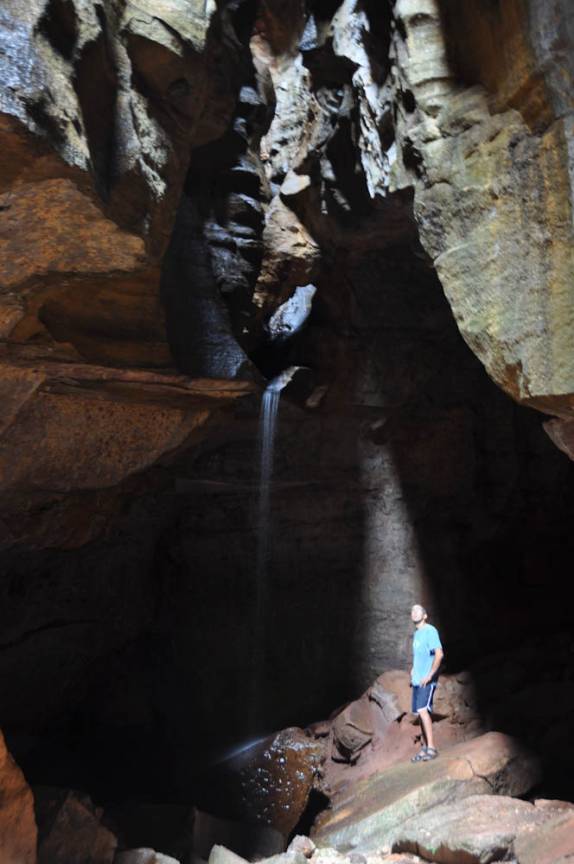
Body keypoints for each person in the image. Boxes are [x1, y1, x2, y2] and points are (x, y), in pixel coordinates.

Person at [409, 604, 443, 762]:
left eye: (417, 610)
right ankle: (424, 747)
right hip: (417, 680)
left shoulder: (430, 631)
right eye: (412, 611)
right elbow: (419, 656)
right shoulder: (417, 634)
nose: (414, 612)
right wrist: (413, 670)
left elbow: (439, 654)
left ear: (425, 615)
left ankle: (431, 748)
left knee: (423, 711)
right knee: (420, 714)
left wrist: (430, 675)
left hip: (426, 680)